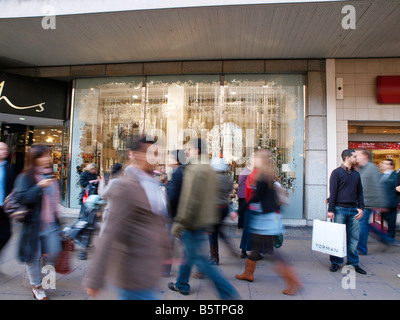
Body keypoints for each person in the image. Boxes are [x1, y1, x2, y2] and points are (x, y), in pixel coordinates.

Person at [83, 135, 170, 300]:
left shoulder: (153, 183)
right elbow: (110, 231)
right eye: (147, 152)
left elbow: (157, 221)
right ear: (134, 155)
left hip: (148, 270)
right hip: (132, 272)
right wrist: (95, 278)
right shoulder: (125, 186)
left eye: (156, 153)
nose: (152, 158)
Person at [168, 138, 240, 300]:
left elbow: (190, 201)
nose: (187, 152)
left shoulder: (195, 170)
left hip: (192, 222)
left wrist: (179, 223)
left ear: (197, 150)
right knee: (190, 255)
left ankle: (228, 294)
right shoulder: (208, 169)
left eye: (190, 149)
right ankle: (181, 284)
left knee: (201, 261)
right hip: (202, 221)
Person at [235, 149, 302, 296]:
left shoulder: (262, 175)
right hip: (268, 216)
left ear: (261, 159)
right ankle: (248, 273)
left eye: (256, 157)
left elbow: (257, 197)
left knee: (272, 252)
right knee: (258, 246)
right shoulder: (268, 173)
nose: (254, 160)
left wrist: (239, 211)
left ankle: (293, 280)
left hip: (265, 218)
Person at [14, 145, 61, 300]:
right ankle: (38, 287)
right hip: (34, 224)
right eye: (42, 156)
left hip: (51, 223)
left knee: (52, 252)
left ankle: (45, 279)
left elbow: (54, 201)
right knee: (33, 257)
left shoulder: (51, 176)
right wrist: (38, 187)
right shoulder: (26, 177)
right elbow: (22, 198)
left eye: (48, 155)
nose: (47, 159)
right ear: (34, 159)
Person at [327, 149, 366, 275]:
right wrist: (330, 209)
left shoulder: (356, 174)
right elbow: (333, 192)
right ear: (347, 157)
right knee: (337, 238)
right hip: (339, 209)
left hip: (353, 210)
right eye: (354, 156)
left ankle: (353, 263)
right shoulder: (336, 173)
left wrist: (361, 208)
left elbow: (360, 192)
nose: (356, 159)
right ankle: (335, 262)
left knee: (354, 238)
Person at [355, 149, 388, 255]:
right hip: (361, 202)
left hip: (369, 202)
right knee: (364, 225)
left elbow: (377, 186)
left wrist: (380, 204)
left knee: (362, 225)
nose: (356, 156)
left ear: (365, 156)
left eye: (358, 154)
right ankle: (387, 239)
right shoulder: (359, 169)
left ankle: (362, 249)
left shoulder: (372, 168)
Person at [207, 157, 236, 265]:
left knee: (212, 233)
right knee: (218, 230)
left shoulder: (212, 178)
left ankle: (214, 257)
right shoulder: (227, 178)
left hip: (215, 208)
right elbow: (229, 190)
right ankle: (229, 246)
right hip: (224, 207)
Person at [372, 159, 398, 244]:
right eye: (382, 163)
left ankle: (390, 240)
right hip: (381, 204)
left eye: (385, 163)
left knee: (391, 224)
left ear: (391, 166)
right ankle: (388, 239)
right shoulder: (380, 176)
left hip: (391, 204)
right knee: (382, 222)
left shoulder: (396, 176)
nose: (382, 164)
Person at [98, 163, 123, 237]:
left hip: (111, 211)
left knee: (105, 235)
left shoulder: (114, 182)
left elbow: (103, 195)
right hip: (120, 212)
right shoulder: (123, 181)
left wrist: (102, 182)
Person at [0, 142, 16, 253]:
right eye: (1, 149)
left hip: (4, 208)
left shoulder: (10, 168)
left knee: (6, 234)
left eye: (6, 149)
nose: (5, 151)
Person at [237, 159, 252, 229]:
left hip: (241, 193)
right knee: (244, 210)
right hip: (245, 194)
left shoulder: (243, 171)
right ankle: (242, 224)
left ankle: (240, 224)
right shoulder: (248, 173)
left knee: (241, 209)